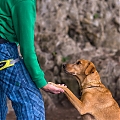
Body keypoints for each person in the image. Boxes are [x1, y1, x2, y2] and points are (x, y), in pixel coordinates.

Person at [0, 0, 64, 120]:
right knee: (32, 106)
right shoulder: (25, 2)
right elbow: (27, 50)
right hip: (3, 50)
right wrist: (41, 82)